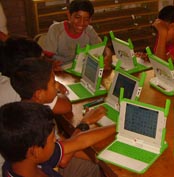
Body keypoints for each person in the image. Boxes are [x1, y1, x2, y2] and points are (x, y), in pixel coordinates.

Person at [0, 101, 115, 177]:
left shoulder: (23, 159)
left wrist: (118, 127)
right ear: (35, 151)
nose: (56, 140)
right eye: (52, 138)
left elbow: (79, 141)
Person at [45, 0, 113, 70]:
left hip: (80, 69)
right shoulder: (56, 30)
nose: (81, 23)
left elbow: (104, 48)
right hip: (60, 70)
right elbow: (45, 57)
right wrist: (51, 64)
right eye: (77, 17)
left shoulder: (89, 31)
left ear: (90, 20)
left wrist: (109, 56)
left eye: (86, 19)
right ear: (69, 15)